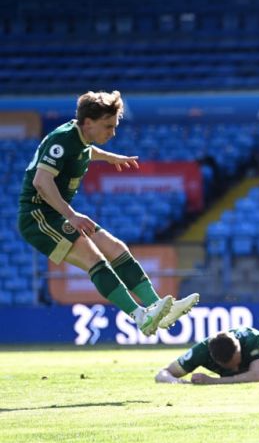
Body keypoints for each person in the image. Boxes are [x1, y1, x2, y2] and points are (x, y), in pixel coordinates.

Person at [17, 90, 198, 335]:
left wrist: (108, 157)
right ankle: (140, 316)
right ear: (89, 123)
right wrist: (71, 214)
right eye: (108, 126)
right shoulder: (62, 140)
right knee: (95, 259)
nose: (112, 133)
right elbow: (41, 181)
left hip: (55, 213)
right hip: (37, 217)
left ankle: (156, 308)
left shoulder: (79, 138)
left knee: (116, 248)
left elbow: (85, 152)